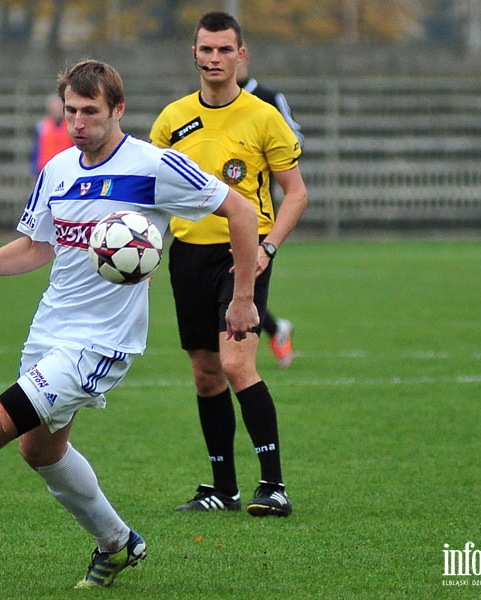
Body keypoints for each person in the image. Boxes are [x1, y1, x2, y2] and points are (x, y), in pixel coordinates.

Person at [0, 59, 261, 589]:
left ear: (118, 110)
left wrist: (241, 299)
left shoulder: (155, 166)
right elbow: (36, 247)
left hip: (101, 343)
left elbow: (240, 212)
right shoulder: (58, 169)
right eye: (71, 111)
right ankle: (119, 543)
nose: (77, 122)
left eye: (90, 112)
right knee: (41, 449)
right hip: (51, 330)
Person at [150, 11, 308, 517]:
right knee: (205, 374)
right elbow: (152, 194)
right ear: (193, 55)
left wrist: (268, 247)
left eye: (224, 50)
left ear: (242, 56)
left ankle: (274, 486)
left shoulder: (263, 116)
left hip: (244, 254)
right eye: (206, 49)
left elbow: (297, 194)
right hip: (187, 255)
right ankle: (224, 489)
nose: (215, 58)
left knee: (238, 364)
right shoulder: (172, 120)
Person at [236, 53, 305, 369]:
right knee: (226, 284)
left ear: (243, 56)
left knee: (239, 281)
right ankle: (276, 329)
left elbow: (295, 140)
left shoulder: (267, 98)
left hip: (256, 208)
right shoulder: (206, 103)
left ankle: (260, 340)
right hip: (217, 206)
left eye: (229, 52)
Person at [30, 94, 73, 179]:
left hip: (66, 169)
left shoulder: (71, 125)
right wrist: (34, 173)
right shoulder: (42, 126)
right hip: (46, 170)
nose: (56, 109)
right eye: (53, 107)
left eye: (58, 106)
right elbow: (36, 151)